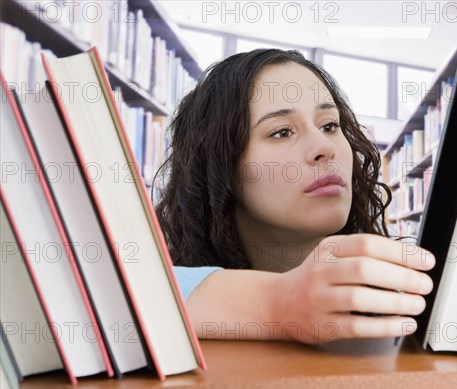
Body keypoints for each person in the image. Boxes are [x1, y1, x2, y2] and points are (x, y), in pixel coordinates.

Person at [155, 49, 435, 344]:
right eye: (281, 132)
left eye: (329, 125)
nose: (323, 146)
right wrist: (279, 303)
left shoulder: (406, 291)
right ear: (217, 167)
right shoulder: (159, 292)